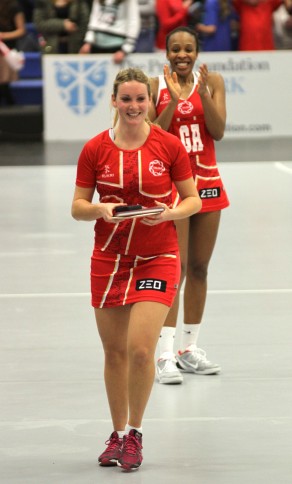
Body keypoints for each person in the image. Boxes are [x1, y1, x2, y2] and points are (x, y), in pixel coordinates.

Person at [71, 67, 202, 470]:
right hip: (109, 258)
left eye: (140, 99)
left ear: (150, 101)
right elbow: (77, 207)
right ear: (113, 101)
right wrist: (98, 209)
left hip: (158, 255)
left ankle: (137, 434)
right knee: (113, 353)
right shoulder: (95, 149)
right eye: (125, 99)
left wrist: (168, 216)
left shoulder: (168, 145)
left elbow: (192, 200)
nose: (133, 106)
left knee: (141, 350)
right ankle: (118, 433)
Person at [148, 26, 230, 384]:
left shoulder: (214, 82)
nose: (182, 55)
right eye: (176, 49)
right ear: (167, 53)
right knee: (175, 270)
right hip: (172, 187)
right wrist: (169, 93)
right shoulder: (155, 85)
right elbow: (155, 133)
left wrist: (202, 92)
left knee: (199, 268)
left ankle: (188, 349)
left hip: (208, 184)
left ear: (197, 53)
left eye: (189, 49)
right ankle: (164, 355)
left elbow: (219, 130)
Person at [79, 0, 140, 64]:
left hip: (117, 46)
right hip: (96, 45)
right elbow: (94, 18)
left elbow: (133, 21)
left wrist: (125, 49)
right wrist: (88, 42)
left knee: (117, 73)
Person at [0, 0, 26, 105]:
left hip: (6, 51)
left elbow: (21, 30)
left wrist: (3, 36)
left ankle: (11, 106)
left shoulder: (14, 6)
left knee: (3, 83)